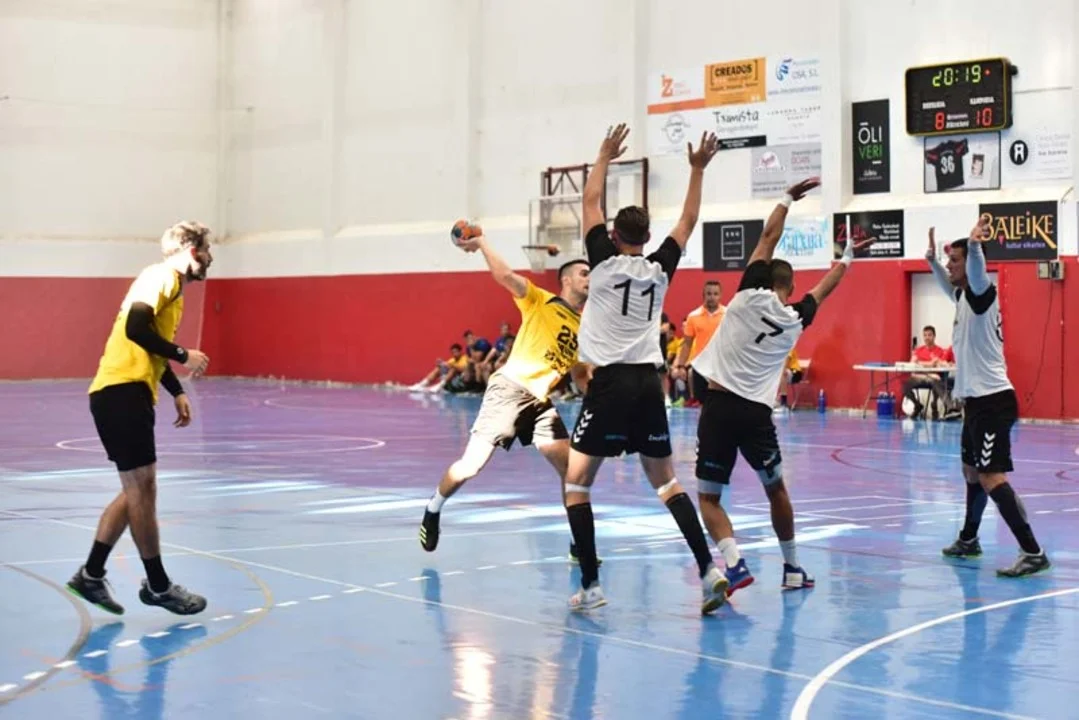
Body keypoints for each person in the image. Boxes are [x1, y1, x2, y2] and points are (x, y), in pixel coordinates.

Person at [562, 123, 728, 614]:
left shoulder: (602, 262)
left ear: (613, 236)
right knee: (667, 483)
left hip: (610, 382)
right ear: (648, 238)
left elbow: (590, 200)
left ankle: (591, 586)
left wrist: (603, 155)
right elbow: (689, 219)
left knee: (576, 485)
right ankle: (708, 571)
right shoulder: (660, 269)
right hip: (649, 384)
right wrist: (697, 169)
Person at [690, 178, 868, 595]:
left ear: (763, 279)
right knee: (776, 490)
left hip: (719, 406)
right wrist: (848, 256)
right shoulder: (795, 319)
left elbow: (768, 236)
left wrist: (787, 197)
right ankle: (791, 569)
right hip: (756, 415)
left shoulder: (746, 296)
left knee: (709, 498)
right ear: (790, 288)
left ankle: (735, 564)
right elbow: (824, 289)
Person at [66, 221, 214, 616]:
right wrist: (184, 355)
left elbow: (149, 346)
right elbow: (135, 328)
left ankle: (91, 575)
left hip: (127, 392)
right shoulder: (160, 277)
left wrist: (176, 390)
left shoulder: (172, 289)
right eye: (207, 250)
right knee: (142, 490)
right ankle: (159, 587)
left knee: (137, 490)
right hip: (121, 392)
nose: (210, 258)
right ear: (191, 251)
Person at [419, 233, 591, 555]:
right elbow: (505, 275)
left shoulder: (584, 329)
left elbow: (581, 375)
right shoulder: (541, 300)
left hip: (539, 402)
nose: (590, 279)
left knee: (572, 471)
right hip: (509, 390)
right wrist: (482, 242)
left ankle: (578, 542)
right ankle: (433, 507)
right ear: (566, 280)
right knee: (470, 467)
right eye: (584, 273)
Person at [929, 222, 1050, 577]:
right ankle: (969, 539)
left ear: (971, 265)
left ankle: (1032, 552)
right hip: (975, 403)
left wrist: (974, 247)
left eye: (954, 260)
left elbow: (977, 272)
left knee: (991, 476)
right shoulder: (963, 297)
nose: (950, 265)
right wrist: (932, 261)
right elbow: (946, 284)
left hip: (994, 401)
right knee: (971, 471)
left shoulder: (982, 294)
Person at [671, 280, 725, 407]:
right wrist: (681, 366)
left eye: (715, 294)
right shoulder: (693, 316)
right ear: (703, 295)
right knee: (702, 404)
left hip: (721, 365)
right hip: (700, 366)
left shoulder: (728, 315)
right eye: (709, 294)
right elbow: (687, 344)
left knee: (721, 403)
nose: (712, 297)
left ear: (720, 295)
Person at [901, 325, 955, 419]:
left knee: (936, 380)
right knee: (905, 385)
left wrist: (920, 363)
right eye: (925, 335)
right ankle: (917, 405)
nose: (927, 337)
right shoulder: (919, 350)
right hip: (920, 377)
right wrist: (929, 364)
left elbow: (940, 364)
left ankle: (950, 407)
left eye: (929, 335)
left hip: (934, 379)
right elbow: (912, 364)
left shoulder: (940, 351)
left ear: (934, 336)